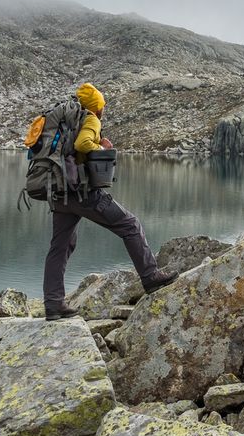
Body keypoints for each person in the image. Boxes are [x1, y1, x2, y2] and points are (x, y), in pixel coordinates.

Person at [42, 83, 177, 320]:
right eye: (102, 105)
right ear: (97, 106)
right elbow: (82, 144)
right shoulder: (90, 119)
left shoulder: (63, 119)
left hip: (60, 192)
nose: (103, 109)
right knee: (130, 225)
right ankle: (150, 276)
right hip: (83, 192)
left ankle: (53, 305)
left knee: (60, 246)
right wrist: (102, 146)